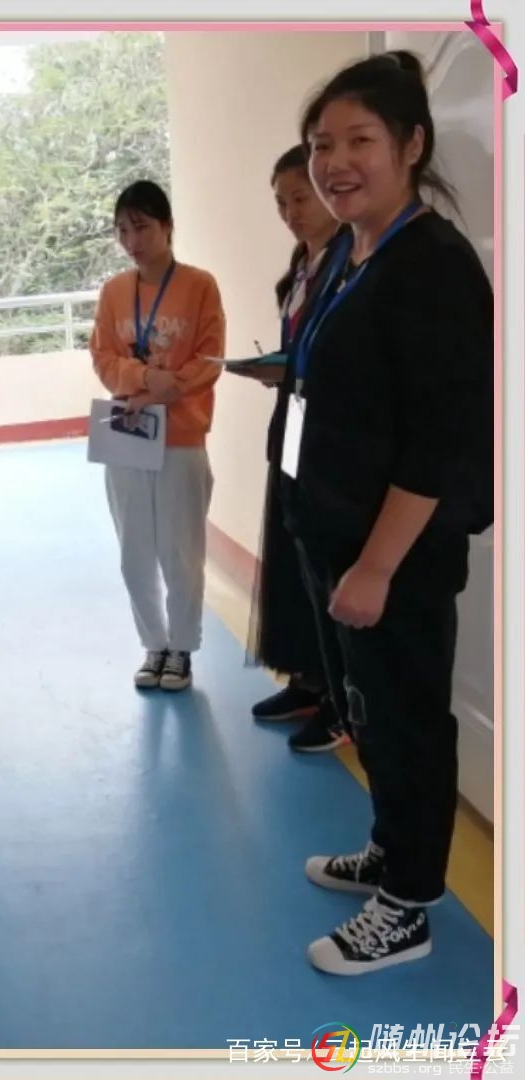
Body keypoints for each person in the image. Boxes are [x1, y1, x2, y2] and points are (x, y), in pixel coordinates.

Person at [285, 51, 492, 974]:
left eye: (358, 140)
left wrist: (374, 567)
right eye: (321, 143)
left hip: (395, 553)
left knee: (409, 721)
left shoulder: (433, 265)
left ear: (411, 144)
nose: (334, 162)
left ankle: (408, 904)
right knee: (371, 713)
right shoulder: (352, 251)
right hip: (336, 530)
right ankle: (390, 847)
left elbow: (440, 442)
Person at [89, 180, 225, 691]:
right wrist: (146, 379)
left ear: (168, 226)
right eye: (122, 230)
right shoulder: (113, 291)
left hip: (182, 438)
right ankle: (154, 644)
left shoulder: (199, 285)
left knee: (181, 552)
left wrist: (169, 390)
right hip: (126, 434)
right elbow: (103, 357)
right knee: (134, 552)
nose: (132, 241)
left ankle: (182, 649)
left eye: (142, 227)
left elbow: (209, 358)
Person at [243, 145, 350, 753]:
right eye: (281, 202)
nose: (290, 212)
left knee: (325, 555)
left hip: (328, 433)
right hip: (293, 421)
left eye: (300, 198)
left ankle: (343, 701)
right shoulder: (304, 263)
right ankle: (309, 677)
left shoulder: (351, 260)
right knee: (293, 549)